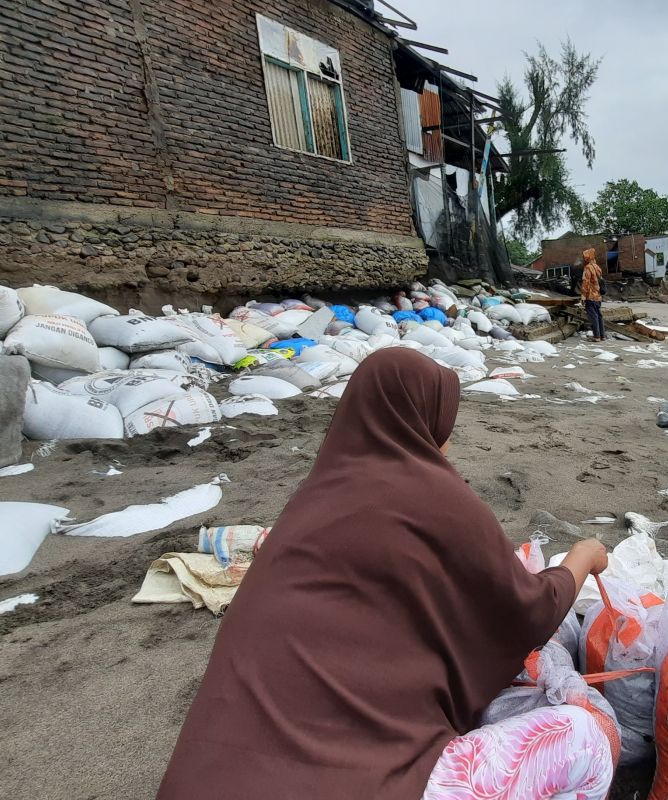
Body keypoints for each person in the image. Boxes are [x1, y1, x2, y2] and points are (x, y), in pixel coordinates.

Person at [157, 349, 612, 799]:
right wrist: (583, 557)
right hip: (363, 781)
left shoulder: (314, 497)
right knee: (586, 737)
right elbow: (527, 610)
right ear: (425, 418)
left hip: (203, 779)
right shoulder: (439, 498)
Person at [579, 247, 606, 341]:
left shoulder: (587, 268)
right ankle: (602, 336)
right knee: (599, 316)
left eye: (584, 256)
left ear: (587, 257)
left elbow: (585, 282)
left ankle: (597, 336)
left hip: (590, 296)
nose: (584, 258)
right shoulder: (597, 267)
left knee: (593, 316)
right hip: (598, 296)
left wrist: (583, 295)